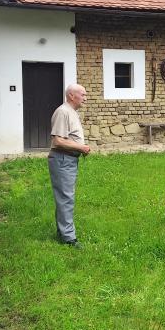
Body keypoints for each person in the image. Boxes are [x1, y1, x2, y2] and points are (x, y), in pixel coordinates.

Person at [49, 84, 91, 249]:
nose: (85, 98)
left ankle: (62, 233)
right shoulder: (63, 112)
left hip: (68, 159)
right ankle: (69, 239)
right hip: (62, 159)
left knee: (65, 198)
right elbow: (57, 140)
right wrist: (81, 147)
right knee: (66, 198)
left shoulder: (72, 112)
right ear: (72, 95)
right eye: (83, 94)